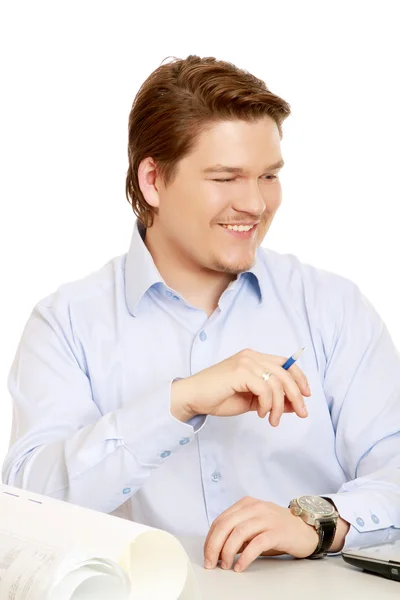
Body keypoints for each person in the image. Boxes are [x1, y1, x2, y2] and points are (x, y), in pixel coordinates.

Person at [3, 55, 400, 574]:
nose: (256, 203)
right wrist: (177, 402)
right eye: (227, 177)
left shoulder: (332, 307)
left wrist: (319, 522)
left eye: (269, 176)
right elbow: (30, 505)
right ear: (152, 181)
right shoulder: (66, 324)